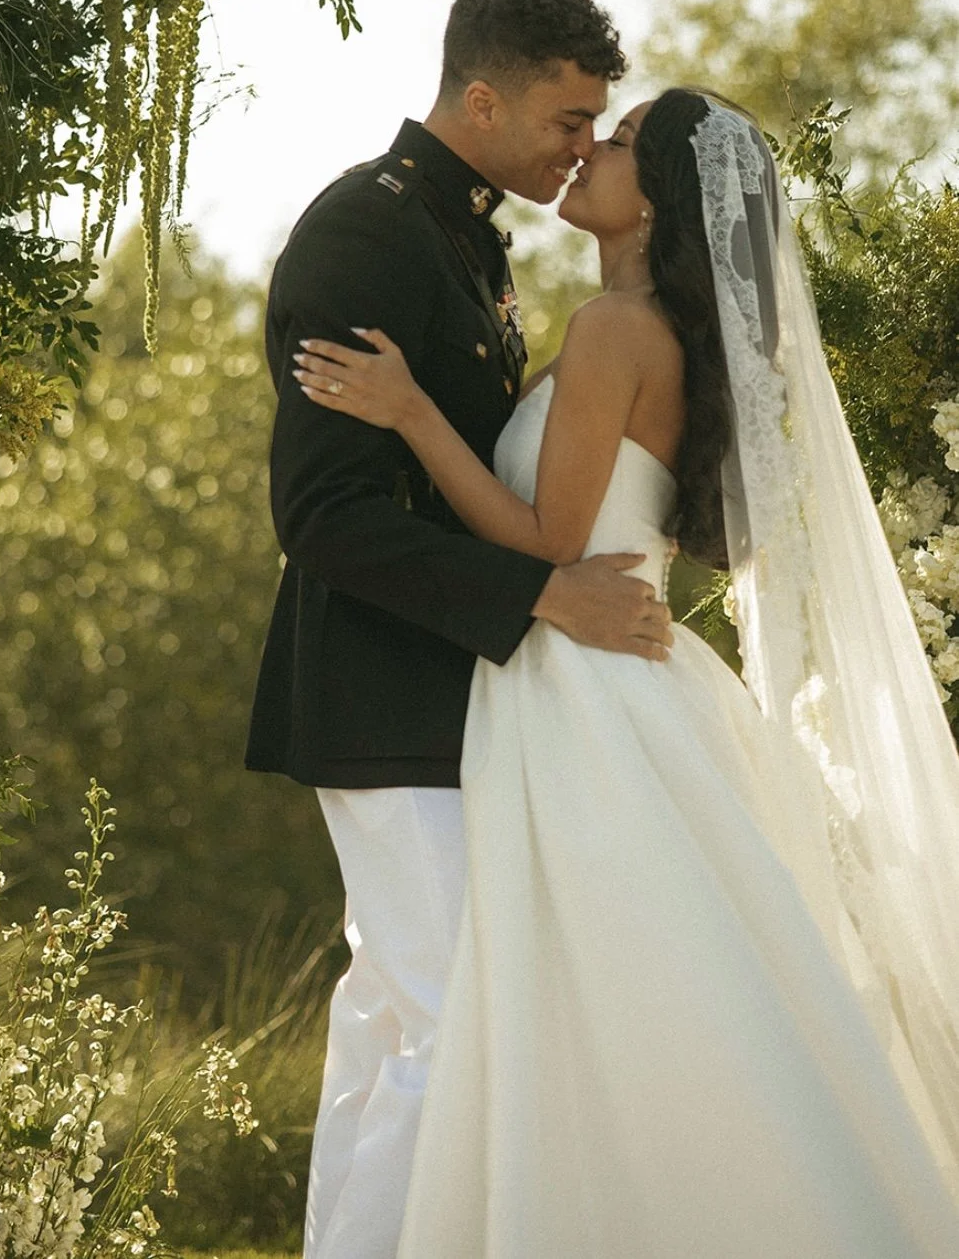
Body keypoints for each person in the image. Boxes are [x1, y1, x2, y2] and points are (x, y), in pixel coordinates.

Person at [294, 88, 959, 1256]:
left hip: (578, 688)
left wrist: (407, 413)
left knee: (585, 1002)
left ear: (663, 196)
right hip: (598, 676)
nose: (587, 152)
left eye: (618, 138)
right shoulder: (627, 325)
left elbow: (546, 537)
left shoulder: (616, 333)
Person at [245, 0, 674, 1259]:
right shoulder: (364, 230)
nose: (581, 147)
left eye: (598, 126)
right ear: (480, 98)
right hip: (380, 695)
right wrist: (545, 588)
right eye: (565, 120)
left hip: (451, 694)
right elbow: (321, 512)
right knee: (446, 1023)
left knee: (394, 1019)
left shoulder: (461, 227)